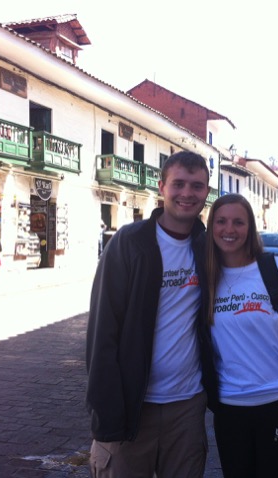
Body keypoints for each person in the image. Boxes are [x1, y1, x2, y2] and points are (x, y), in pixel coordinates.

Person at [86, 151, 217, 478]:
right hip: (133, 406)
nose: (187, 193)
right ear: (162, 187)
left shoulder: (207, 247)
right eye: (179, 184)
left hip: (187, 407)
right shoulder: (129, 243)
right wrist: (106, 411)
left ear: (207, 192)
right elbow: (103, 331)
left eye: (197, 186)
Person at [204, 194, 278, 478]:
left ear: (250, 227)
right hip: (229, 409)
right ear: (211, 228)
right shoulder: (207, 276)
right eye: (220, 221)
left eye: (238, 222)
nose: (229, 229)